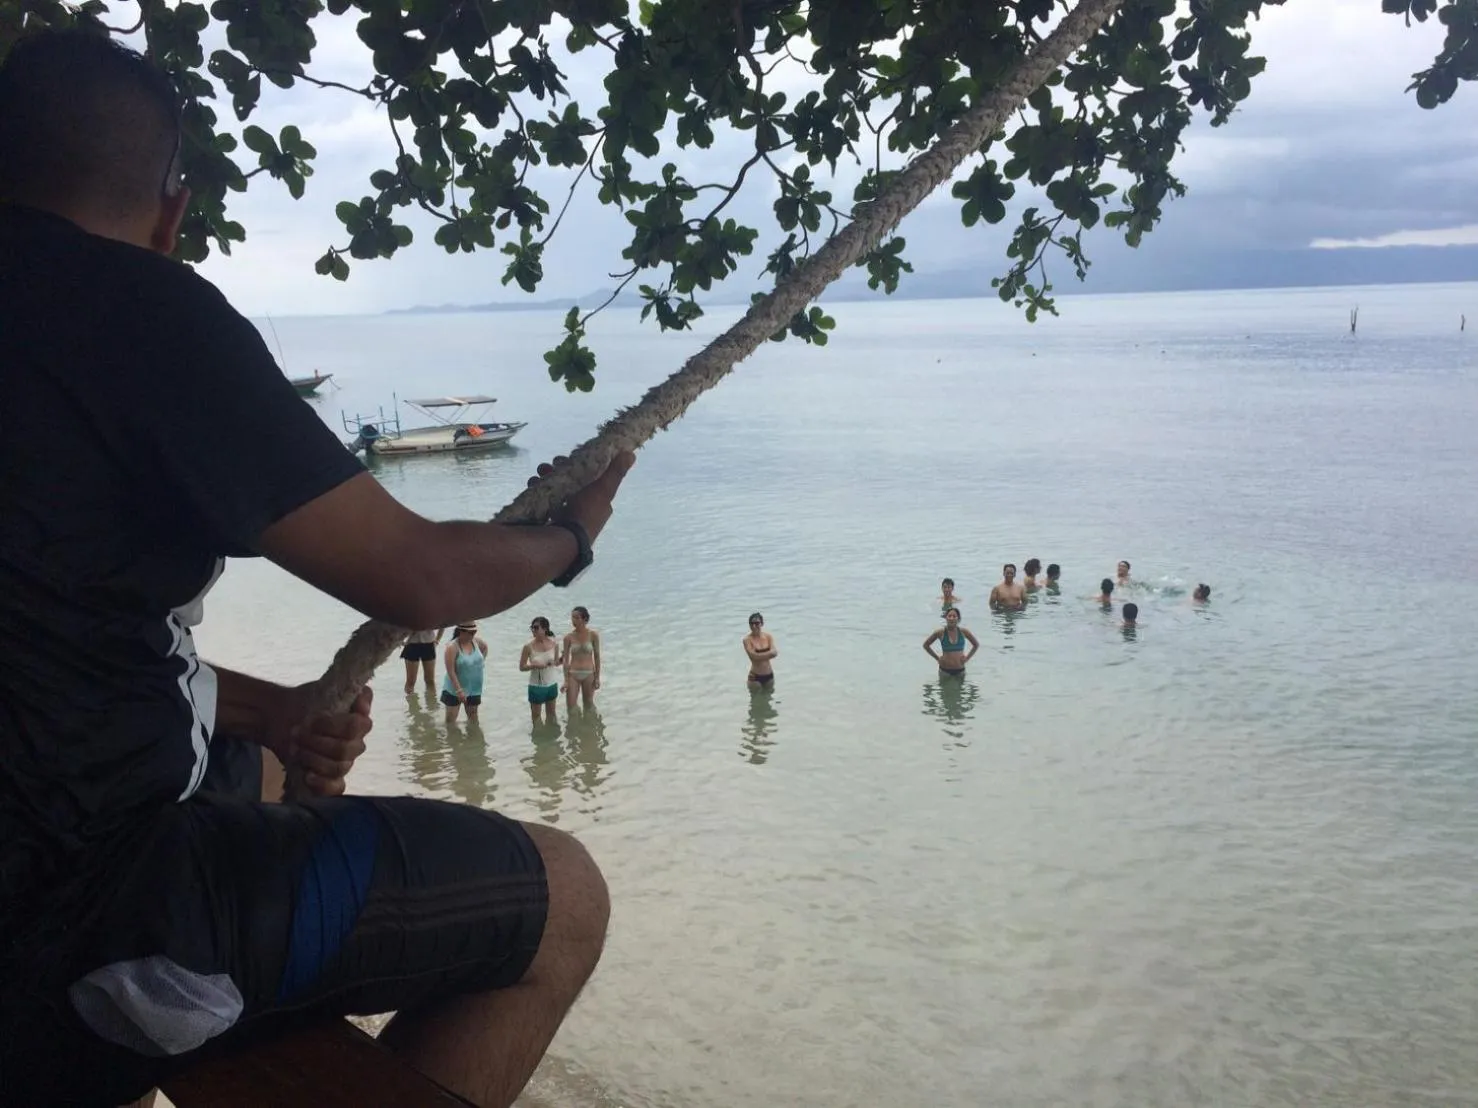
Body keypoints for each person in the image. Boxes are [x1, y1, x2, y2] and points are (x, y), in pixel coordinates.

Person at [0, 31, 635, 1108]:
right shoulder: (137, 310)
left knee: (282, 774)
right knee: (567, 896)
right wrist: (564, 541)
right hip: (74, 917)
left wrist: (277, 708)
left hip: (47, 846)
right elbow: (420, 576)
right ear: (172, 207)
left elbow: (51, 632)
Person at [442, 623, 489, 723]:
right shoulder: (452, 647)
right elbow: (450, 671)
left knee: (473, 721)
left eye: (474, 632)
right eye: (471, 632)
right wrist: (459, 690)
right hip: (454, 690)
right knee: (451, 722)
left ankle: (473, 738)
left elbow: (485, 648)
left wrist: (481, 662)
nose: (473, 634)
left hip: (474, 688)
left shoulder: (477, 642)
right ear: (461, 631)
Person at [521, 617, 562, 725]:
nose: (533, 630)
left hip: (552, 684)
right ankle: (538, 739)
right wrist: (533, 665)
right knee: (536, 718)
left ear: (545, 629)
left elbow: (556, 663)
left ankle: (553, 739)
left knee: (552, 715)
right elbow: (522, 667)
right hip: (536, 686)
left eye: (536, 628)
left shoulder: (554, 644)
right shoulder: (528, 646)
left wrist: (562, 659)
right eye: (532, 628)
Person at [562, 606, 601, 711]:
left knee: (588, 704)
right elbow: (565, 660)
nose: (573, 620)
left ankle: (591, 725)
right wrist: (565, 680)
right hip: (573, 674)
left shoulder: (593, 635)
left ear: (584, 619)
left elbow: (597, 657)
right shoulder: (568, 637)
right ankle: (574, 726)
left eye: (576, 617)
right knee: (571, 706)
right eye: (572, 617)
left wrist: (597, 677)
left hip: (589, 673)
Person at [923, 607, 979, 676]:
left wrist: (967, 658)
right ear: (946, 618)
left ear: (958, 619)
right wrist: (937, 658)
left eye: (954, 616)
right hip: (944, 670)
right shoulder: (940, 632)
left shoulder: (964, 632)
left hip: (960, 670)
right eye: (949, 616)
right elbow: (926, 645)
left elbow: (976, 645)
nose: (951, 618)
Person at [401, 626, 444, 693]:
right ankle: (411, 703)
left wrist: (437, 640)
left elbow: (443, 623)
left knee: (430, 681)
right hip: (411, 644)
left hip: (429, 644)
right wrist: (400, 640)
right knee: (411, 681)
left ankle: (431, 703)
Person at [744, 613, 777, 685]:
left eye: (757, 623)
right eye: (751, 623)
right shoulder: (747, 640)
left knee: (769, 696)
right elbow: (753, 656)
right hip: (755, 677)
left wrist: (758, 655)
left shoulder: (768, 637)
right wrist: (769, 654)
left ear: (762, 624)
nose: (754, 626)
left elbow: (775, 653)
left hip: (769, 675)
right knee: (756, 696)